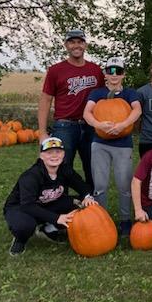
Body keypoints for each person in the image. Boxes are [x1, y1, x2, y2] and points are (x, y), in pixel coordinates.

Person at [37, 29, 104, 189]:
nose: (76, 46)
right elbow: (46, 100)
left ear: (85, 45)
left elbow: (103, 99)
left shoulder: (95, 70)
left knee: (93, 167)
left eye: (80, 42)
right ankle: (62, 201)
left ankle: (93, 201)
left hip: (90, 126)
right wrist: (42, 132)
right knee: (62, 167)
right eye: (72, 42)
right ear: (66, 45)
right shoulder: (56, 70)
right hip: (65, 126)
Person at [82, 57, 142, 236]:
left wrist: (123, 125)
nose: (114, 75)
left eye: (118, 71)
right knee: (100, 184)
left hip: (123, 144)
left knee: (124, 184)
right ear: (105, 74)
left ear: (123, 74)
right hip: (100, 144)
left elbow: (137, 110)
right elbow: (87, 112)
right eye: (110, 71)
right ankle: (102, 219)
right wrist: (98, 125)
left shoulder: (130, 93)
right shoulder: (97, 93)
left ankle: (125, 220)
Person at [4, 137, 93, 256]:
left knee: (80, 204)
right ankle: (20, 239)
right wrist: (56, 218)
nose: (54, 156)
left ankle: (48, 229)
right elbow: (28, 205)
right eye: (49, 152)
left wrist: (87, 196)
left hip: (47, 203)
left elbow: (82, 186)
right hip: (21, 208)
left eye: (58, 152)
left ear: (63, 154)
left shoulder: (65, 169)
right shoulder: (31, 176)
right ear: (41, 156)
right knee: (25, 226)